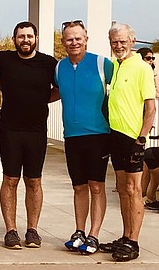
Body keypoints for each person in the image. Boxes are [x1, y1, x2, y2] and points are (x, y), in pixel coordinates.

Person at [0, 21, 58, 249]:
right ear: (14, 39)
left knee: (34, 180)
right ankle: (11, 231)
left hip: (37, 131)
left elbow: (59, 88)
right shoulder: (3, 59)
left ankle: (32, 230)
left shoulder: (49, 63)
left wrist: (41, 99)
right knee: (10, 179)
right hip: (10, 130)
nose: (25, 40)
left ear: (36, 38)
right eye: (21, 37)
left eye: (29, 36)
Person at [54, 20, 113, 255]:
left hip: (98, 135)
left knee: (96, 186)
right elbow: (54, 92)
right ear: (63, 42)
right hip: (72, 137)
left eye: (78, 38)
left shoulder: (101, 63)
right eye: (69, 39)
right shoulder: (60, 68)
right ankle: (79, 231)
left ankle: (94, 234)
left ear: (86, 39)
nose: (74, 42)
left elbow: (121, 91)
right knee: (78, 187)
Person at [100, 23, 156, 261]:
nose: (119, 46)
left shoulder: (142, 67)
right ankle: (125, 236)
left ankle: (133, 241)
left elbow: (150, 107)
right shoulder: (113, 66)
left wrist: (141, 138)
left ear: (132, 41)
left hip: (133, 137)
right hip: (115, 135)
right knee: (123, 189)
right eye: (114, 42)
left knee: (134, 190)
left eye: (123, 41)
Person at [136, 48, 159, 210]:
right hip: (145, 130)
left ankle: (148, 196)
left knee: (150, 167)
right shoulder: (140, 75)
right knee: (147, 166)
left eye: (152, 58)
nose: (151, 61)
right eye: (148, 58)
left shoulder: (152, 74)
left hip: (154, 129)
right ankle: (144, 196)